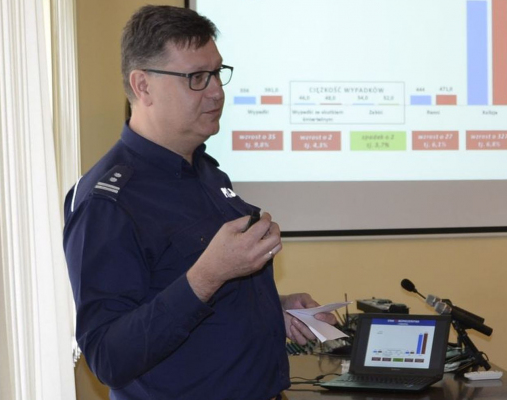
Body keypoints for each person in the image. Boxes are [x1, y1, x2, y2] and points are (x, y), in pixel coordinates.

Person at [63, 5, 335, 400]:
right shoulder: (108, 202)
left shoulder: (206, 172)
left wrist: (276, 308)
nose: (216, 91)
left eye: (218, 72)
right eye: (196, 78)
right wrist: (207, 275)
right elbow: (107, 358)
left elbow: (197, 299)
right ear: (143, 86)